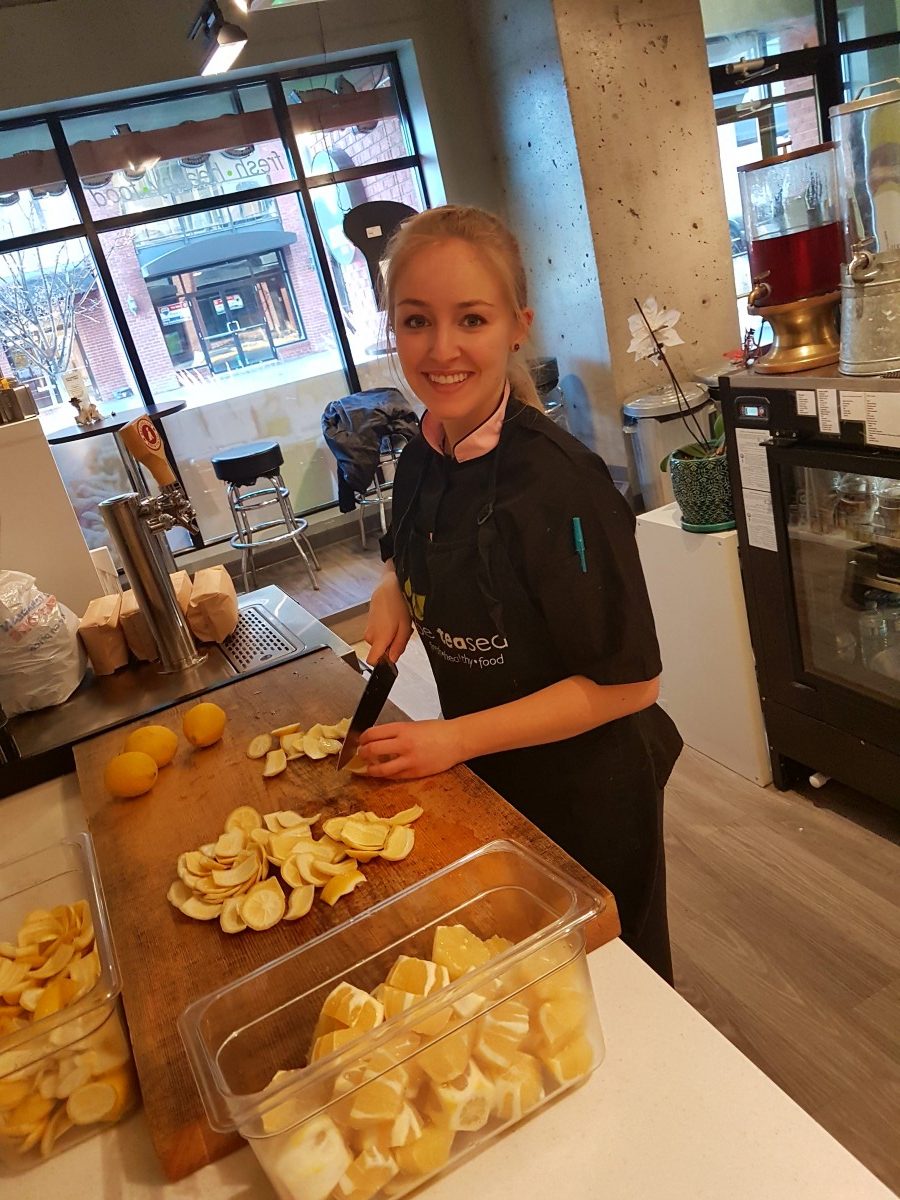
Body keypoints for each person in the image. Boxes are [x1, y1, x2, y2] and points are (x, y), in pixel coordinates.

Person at [358, 205, 682, 982]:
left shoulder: (561, 484)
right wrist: (395, 583)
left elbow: (633, 685)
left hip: (589, 791)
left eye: (470, 318)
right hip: (494, 779)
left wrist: (453, 740)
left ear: (516, 327)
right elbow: (422, 542)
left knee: (615, 986)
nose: (441, 350)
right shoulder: (420, 455)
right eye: (415, 321)